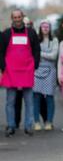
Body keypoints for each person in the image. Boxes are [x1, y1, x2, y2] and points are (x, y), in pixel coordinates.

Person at [0, 9, 40, 137]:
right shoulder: (6, 34)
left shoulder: (31, 33)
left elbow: (36, 50)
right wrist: (3, 67)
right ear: (12, 18)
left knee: (29, 100)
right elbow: (1, 52)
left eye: (19, 17)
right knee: (10, 101)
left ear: (23, 17)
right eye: (15, 17)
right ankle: (11, 126)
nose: (17, 19)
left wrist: (35, 65)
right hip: (11, 71)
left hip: (27, 70)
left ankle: (28, 126)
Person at [33, 20, 58, 131]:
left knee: (49, 97)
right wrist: (41, 54)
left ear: (50, 28)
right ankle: (37, 122)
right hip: (36, 71)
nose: (45, 28)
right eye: (43, 26)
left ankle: (49, 121)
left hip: (50, 71)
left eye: (47, 26)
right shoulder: (35, 40)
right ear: (40, 28)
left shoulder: (54, 40)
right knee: (36, 97)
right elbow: (32, 54)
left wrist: (39, 53)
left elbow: (54, 56)